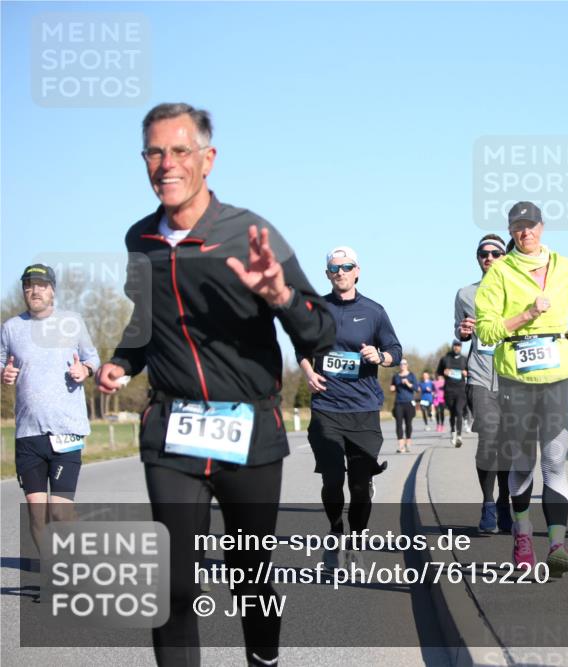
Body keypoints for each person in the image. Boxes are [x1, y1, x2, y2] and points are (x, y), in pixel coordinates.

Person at [96, 103, 336, 667]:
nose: (166, 163)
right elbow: (145, 318)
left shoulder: (250, 233)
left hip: (248, 429)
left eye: (179, 151)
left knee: (250, 579)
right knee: (171, 587)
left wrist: (279, 295)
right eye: (154, 152)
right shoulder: (141, 239)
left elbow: (319, 331)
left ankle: (264, 659)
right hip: (174, 431)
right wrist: (123, 362)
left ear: (208, 158)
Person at [475, 201, 568, 577]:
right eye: (518, 227)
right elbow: (486, 330)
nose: (526, 232)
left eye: (531, 225)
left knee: (555, 461)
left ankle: (557, 543)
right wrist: (526, 314)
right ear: (510, 231)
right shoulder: (500, 273)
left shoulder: (564, 266)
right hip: (517, 379)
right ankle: (522, 534)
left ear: (542, 226)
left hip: (558, 375)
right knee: (524, 463)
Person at [298, 246, 401, 568]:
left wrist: (380, 357)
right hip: (327, 407)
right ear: (327, 274)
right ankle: (335, 529)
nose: (341, 272)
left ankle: (356, 537)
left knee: (358, 486)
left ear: (357, 271)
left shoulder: (374, 311)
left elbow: (395, 349)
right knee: (331, 479)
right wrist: (309, 373)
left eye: (347, 266)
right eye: (334, 268)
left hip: (364, 410)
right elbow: (302, 348)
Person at [1, 264, 99, 561]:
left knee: (59, 512)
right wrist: (4, 373)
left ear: (52, 289)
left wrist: (85, 369)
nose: (35, 290)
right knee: (37, 515)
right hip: (28, 434)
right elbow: (2, 361)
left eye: (41, 285)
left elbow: (91, 356)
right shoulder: (11, 327)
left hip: (66, 430)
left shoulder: (72, 322)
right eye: (29, 285)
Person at [454, 234, 512, 534]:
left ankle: (505, 501)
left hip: (514, 379)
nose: (488, 257)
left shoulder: (519, 291)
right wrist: (463, 332)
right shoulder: (465, 294)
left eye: (495, 252)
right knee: (489, 441)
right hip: (480, 375)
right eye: (483, 253)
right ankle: (488, 504)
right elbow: (460, 333)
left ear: (505, 256)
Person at [436, 340, 468, 447]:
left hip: (461, 390)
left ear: (461, 347)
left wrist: (466, 373)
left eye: (458, 346)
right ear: (452, 346)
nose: (456, 347)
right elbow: (439, 372)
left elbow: (470, 372)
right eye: (455, 345)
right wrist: (443, 373)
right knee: (452, 413)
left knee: (459, 411)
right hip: (449, 390)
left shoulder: (464, 360)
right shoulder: (445, 359)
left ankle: (459, 436)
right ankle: (453, 432)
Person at [389, 359, 417, 452]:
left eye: (404, 364)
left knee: (408, 423)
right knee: (398, 424)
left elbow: (416, 388)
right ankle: (401, 445)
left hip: (409, 402)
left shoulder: (411, 375)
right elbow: (392, 387)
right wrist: (392, 388)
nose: (402, 365)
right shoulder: (396, 376)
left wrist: (408, 384)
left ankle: (408, 443)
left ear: (407, 365)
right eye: (401, 364)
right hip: (399, 403)